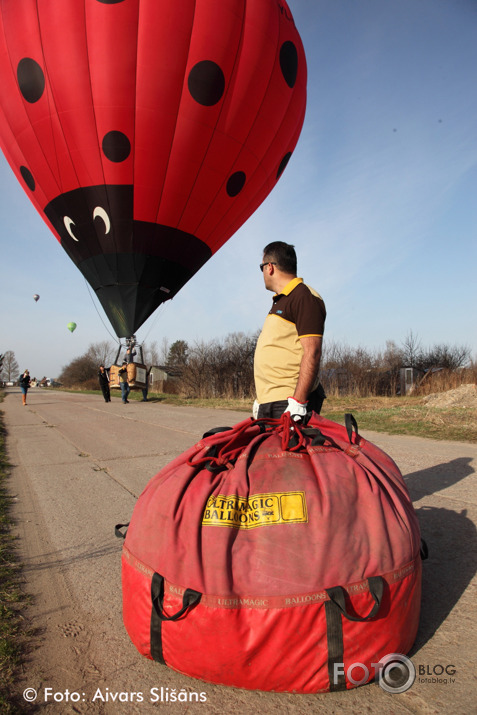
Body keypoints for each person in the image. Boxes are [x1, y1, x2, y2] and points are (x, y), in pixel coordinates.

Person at [253, 241, 326, 420]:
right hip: (270, 401)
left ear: (269, 267)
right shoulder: (282, 300)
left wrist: (298, 402)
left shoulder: (304, 297)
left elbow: (313, 351)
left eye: (261, 267)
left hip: (288, 402)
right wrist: (261, 399)